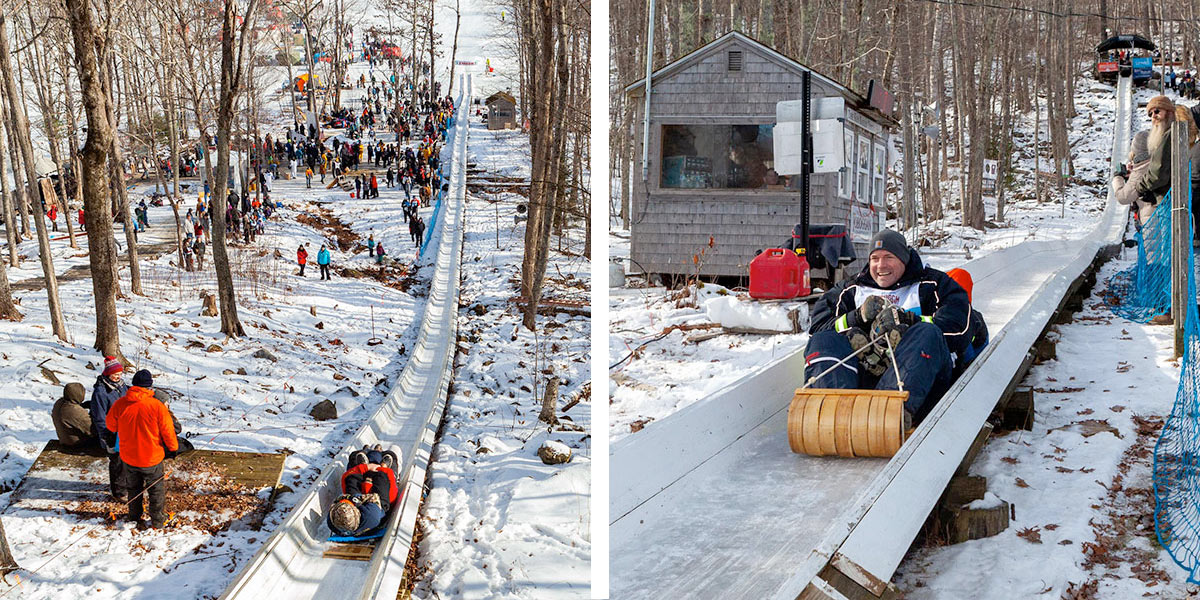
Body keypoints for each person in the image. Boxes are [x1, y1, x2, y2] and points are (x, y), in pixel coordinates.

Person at [804, 230, 971, 423]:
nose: (880, 265)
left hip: (920, 379)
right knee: (824, 338)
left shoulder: (934, 285)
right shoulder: (850, 290)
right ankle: (830, 412)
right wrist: (856, 318)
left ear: (904, 258)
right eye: (874, 258)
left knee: (927, 332)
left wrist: (910, 321)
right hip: (862, 374)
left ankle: (890, 414)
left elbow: (959, 328)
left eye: (888, 257)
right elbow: (817, 329)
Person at [106, 370, 178, 529]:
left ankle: (134, 517)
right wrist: (173, 449)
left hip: (129, 457)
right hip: (151, 457)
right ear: (149, 386)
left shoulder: (120, 403)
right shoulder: (157, 406)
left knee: (133, 488)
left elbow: (110, 425)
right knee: (156, 491)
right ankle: (158, 521)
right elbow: (168, 431)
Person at [328, 444, 401, 537]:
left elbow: (348, 479)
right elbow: (385, 482)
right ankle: (377, 452)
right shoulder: (372, 514)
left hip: (365, 476)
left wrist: (364, 467)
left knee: (354, 456)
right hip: (380, 479)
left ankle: (367, 452)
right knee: (391, 454)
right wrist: (381, 468)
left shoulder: (331, 521)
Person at [90, 356, 129, 501]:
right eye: (115, 374)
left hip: (124, 430)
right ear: (107, 374)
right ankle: (119, 492)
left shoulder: (122, 386)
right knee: (118, 461)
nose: (118, 376)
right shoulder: (101, 392)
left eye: (120, 374)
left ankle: (128, 485)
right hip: (110, 434)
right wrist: (107, 437)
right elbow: (99, 418)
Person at [1137, 95, 1176, 208]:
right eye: (1150, 114)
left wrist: (1140, 186)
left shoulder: (1167, 136)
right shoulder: (1165, 135)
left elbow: (1157, 174)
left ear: (1169, 112)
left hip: (1168, 199)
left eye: (1157, 111)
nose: (1154, 116)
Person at [1112, 130, 1155, 225]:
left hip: (1152, 225)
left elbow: (1123, 197)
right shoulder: (1158, 163)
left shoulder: (1139, 172)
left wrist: (1118, 177)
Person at [52, 382, 94, 447]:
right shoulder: (75, 411)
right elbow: (92, 430)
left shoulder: (59, 402)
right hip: (77, 444)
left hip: (65, 439)